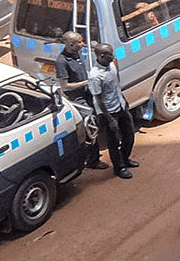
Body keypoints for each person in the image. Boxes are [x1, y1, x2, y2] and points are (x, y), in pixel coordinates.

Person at [54, 31, 108, 170]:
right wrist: (85, 82)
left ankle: (92, 155)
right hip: (77, 100)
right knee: (90, 126)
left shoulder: (76, 54)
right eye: (80, 42)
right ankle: (92, 160)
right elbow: (64, 86)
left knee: (98, 120)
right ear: (71, 44)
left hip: (87, 95)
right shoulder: (62, 61)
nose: (83, 44)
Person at [88, 43, 138, 179]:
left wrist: (124, 100)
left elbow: (116, 85)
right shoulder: (95, 76)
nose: (113, 56)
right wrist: (110, 119)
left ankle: (125, 159)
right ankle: (119, 167)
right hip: (109, 113)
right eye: (110, 54)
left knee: (129, 135)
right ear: (102, 56)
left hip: (121, 106)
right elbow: (98, 100)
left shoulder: (111, 65)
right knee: (114, 142)